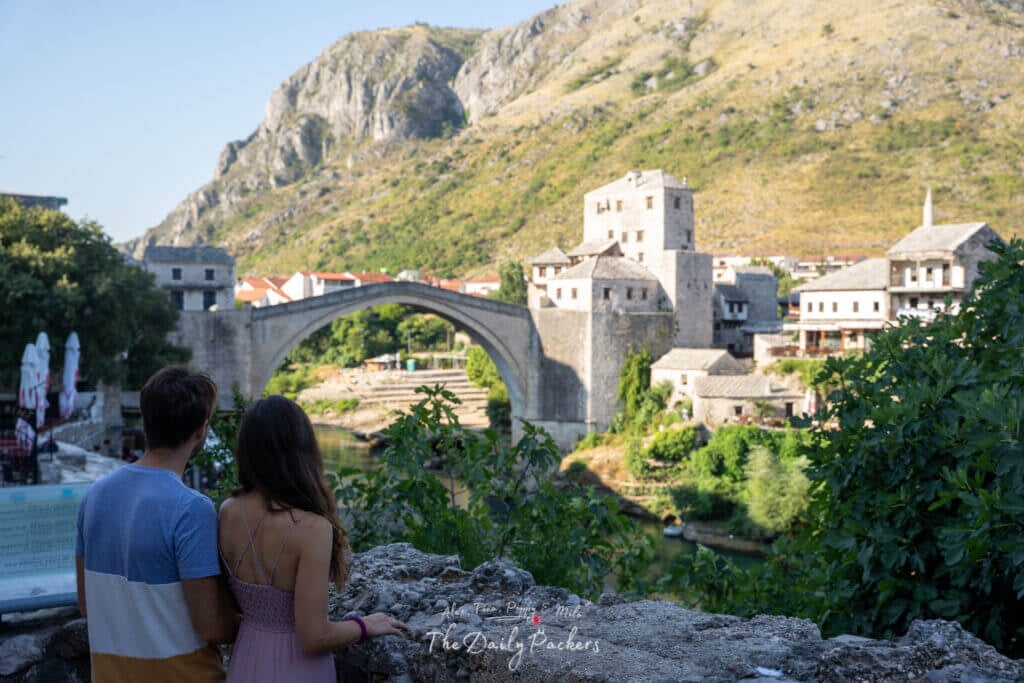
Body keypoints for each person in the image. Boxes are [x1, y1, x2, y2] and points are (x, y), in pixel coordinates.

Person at [218, 395, 407, 682]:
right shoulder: (312, 528)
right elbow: (314, 636)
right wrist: (366, 625)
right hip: (297, 669)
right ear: (303, 449)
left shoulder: (227, 510)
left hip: (246, 660)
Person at [75, 366, 238, 681]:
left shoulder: (93, 496)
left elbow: (87, 607)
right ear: (200, 431)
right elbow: (210, 626)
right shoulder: (191, 509)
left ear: (145, 421)